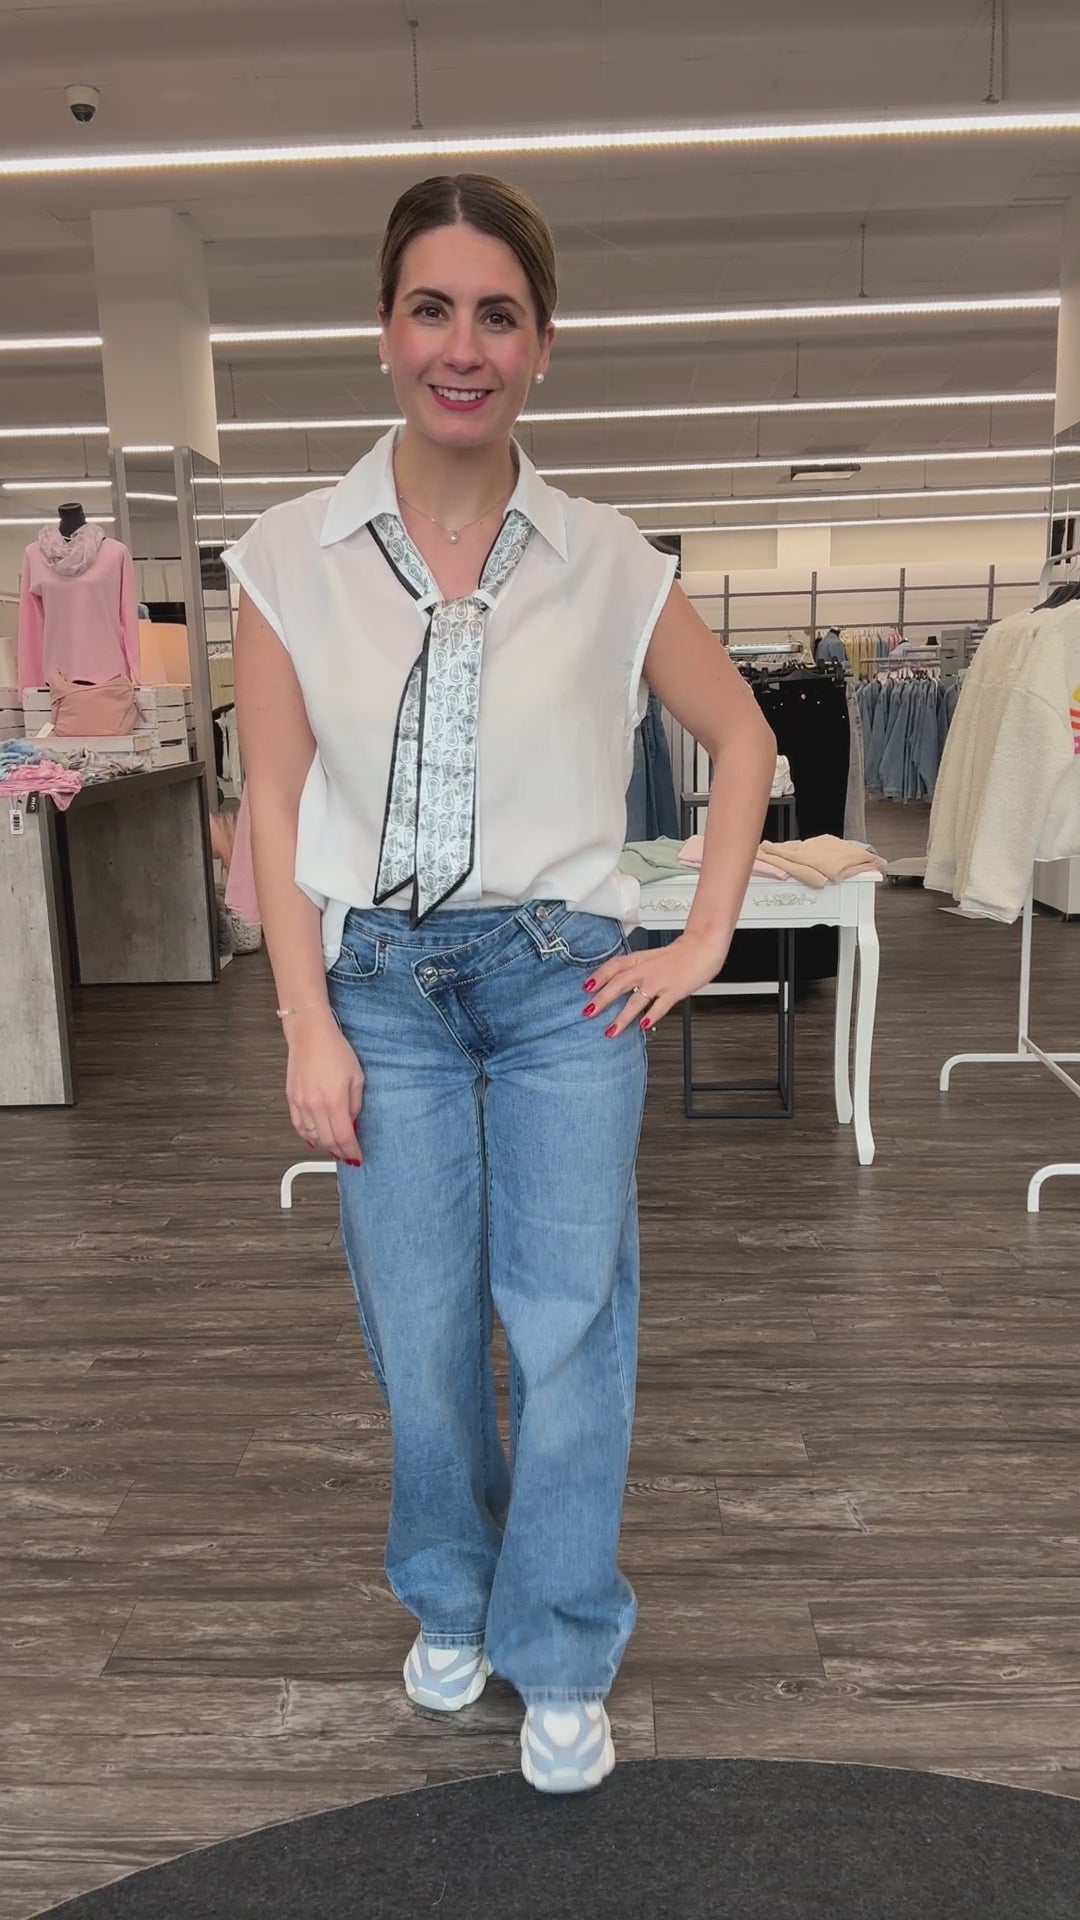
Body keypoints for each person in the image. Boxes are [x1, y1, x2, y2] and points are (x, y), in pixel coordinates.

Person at [226, 173, 775, 1795]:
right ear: (383, 327)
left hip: (562, 990)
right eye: (431, 309)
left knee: (569, 1319)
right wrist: (304, 1021)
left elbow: (742, 737)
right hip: (379, 992)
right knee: (417, 1326)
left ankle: (561, 1642)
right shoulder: (289, 555)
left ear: (542, 345)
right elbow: (273, 801)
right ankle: (451, 1593)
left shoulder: (607, 558)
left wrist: (705, 938)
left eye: (497, 315)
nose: (461, 348)